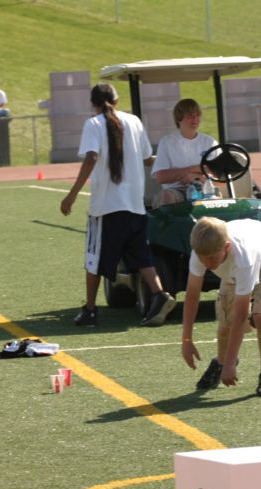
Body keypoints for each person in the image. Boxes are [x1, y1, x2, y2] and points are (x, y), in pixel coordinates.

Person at [60, 83, 176, 327]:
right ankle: (158, 294)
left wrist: (71, 195)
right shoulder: (134, 121)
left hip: (106, 207)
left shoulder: (93, 124)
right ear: (117, 99)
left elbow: (91, 156)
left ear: (92, 103)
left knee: (94, 259)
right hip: (135, 204)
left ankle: (90, 310)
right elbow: (147, 158)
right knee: (141, 256)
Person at [180, 217, 261, 396]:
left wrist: (231, 365)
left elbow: (241, 315)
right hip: (234, 267)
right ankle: (220, 362)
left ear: (226, 248)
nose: (206, 264)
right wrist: (186, 340)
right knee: (225, 326)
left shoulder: (243, 259)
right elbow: (192, 296)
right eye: (202, 258)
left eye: (210, 258)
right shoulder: (200, 253)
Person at [151, 99, 217, 207]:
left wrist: (193, 175)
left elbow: (219, 173)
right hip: (177, 191)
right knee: (167, 197)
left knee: (218, 199)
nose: (195, 120)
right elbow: (161, 177)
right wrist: (194, 170)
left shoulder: (210, 142)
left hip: (206, 190)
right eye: (190, 116)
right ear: (179, 118)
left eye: (197, 115)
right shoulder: (167, 142)